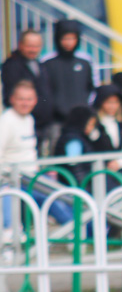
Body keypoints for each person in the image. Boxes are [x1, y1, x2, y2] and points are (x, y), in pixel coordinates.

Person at [1, 81, 73, 238]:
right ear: (12, 99)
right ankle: (11, 244)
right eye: (21, 99)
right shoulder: (6, 122)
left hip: (32, 176)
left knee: (61, 198)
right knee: (10, 206)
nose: (25, 103)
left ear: (35, 100)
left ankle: (76, 234)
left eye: (29, 99)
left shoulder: (29, 119)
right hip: (12, 179)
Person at [42, 19, 95, 143]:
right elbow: (45, 92)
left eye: (72, 38)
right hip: (57, 121)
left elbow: (91, 89)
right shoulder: (48, 63)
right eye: (65, 38)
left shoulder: (85, 62)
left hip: (82, 122)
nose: (68, 42)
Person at [1, 29, 53, 156]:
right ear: (20, 45)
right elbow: (11, 95)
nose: (33, 50)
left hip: (38, 124)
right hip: (22, 123)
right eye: (29, 46)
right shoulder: (11, 65)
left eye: (37, 46)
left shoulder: (40, 64)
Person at [52, 105, 101, 186]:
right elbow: (75, 168)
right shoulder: (73, 140)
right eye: (90, 124)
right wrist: (84, 189)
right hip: (76, 189)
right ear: (81, 122)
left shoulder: (75, 137)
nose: (92, 128)